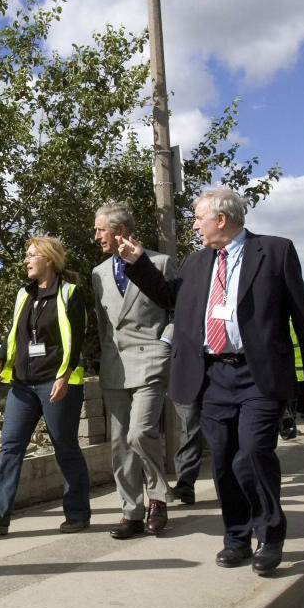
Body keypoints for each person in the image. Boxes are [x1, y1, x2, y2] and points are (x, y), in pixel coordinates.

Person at [116, 187, 304, 575]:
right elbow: (170, 299)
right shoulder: (196, 262)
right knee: (225, 462)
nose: (195, 225)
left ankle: (270, 534)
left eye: (199, 218)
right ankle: (236, 538)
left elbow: (301, 310)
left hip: (258, 374)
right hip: (212, 374)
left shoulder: (275, 251)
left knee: (252, 453)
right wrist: (139, 262)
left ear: (221, 219)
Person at [0, 237, 91, 535]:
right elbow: (14, 333)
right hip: (23, 385)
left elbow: (76, 340)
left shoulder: (68, 293)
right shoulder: (24, 294)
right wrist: (0, 359)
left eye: (31, 255)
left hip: (56, 383)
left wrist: (65, 376)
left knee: (65, 446)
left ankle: (77, 513)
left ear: (48, 259)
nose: (25, 260)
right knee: (10, 446)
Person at [91, 203, 173, 538]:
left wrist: (165, 345)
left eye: (100, 230)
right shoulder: (97, 273)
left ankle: (158, 496)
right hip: (115, 366)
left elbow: (176, 309)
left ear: (120, 231)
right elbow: (102, 323)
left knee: (140, 433)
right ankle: (131, 513)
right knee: (120, 445)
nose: (96, 236)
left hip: (151, 359)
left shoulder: (159, 263)